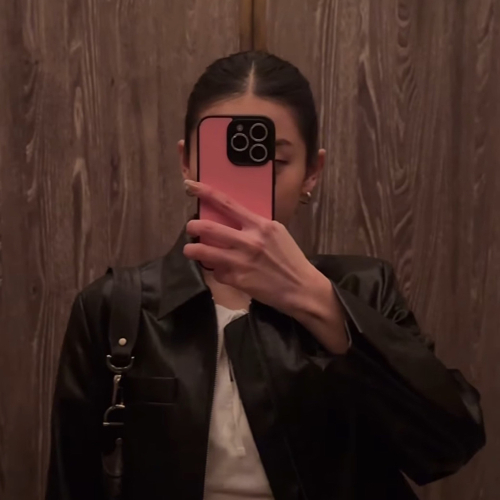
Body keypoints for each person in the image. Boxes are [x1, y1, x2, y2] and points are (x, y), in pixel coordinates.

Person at [46, 51, 485, 500]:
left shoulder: (364, 291)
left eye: (272, 163)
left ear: (312, 172)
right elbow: (70, 483)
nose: (245, 183)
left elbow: (449, 445)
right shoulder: (115, 309)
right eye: (224, 159)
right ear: (186, 163)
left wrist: (320, 304)